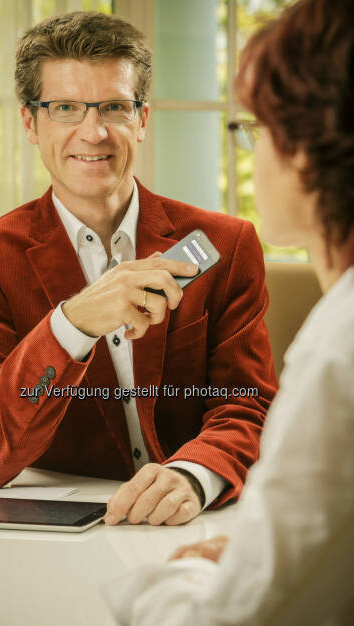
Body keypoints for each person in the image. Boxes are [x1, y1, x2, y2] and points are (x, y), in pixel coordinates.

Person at [0, 11, 277, 527]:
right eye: (65, 108)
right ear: (30, 123)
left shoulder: (227, 245)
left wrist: (194, 474)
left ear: (142, 119)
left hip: (198, 523)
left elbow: (248, 405)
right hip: (63, 543)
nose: (93, 131)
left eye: (115, 107)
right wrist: (71, 325)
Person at [103, 0, 354, 621]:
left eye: (257, 130)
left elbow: (225, 620)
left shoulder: (336, 346)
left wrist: (180, 570)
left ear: (301, 152)